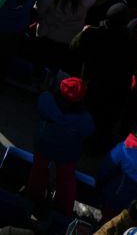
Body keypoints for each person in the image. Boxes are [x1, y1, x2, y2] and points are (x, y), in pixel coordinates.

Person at [27, 77, 94, 214]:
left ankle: (32, 200)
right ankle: (63, 211)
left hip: (44, 143)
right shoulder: (84, 119)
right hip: (67, 151)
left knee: (38, 171)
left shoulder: (47, 101)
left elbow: (41, 103)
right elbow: (89, 131)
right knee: (66, 179)